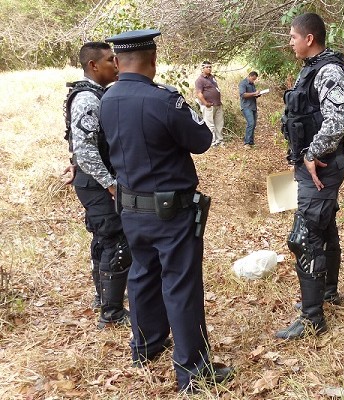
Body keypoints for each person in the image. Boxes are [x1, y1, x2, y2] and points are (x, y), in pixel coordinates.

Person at [100, 29, 234, 393]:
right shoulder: (163, 100)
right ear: (153, 60)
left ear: (118, 61)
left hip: (129, 208)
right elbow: (202, 141)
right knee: (180, 283)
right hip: (169, 212)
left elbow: (103, 148)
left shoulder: (106, 99)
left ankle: (145, 346)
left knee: (142, 274)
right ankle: (192, 370)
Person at [275, 13, 344, 340]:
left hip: (320, 166)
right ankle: (327, 292)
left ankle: (312, 318)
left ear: (309, 38)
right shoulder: (312, 68)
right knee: (323, 226)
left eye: (293, 36)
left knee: (304, 237)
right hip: (311, 166)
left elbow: (336, 122)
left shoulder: (329, 71)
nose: (290, 42)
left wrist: (311, 153)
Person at [63, 41, 131, 329]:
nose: (115, 65)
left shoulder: (96, 95)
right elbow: (86, 149)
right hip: (97, 183)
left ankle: (103, 298)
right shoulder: (88, 99)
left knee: (104, 239)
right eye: (108, 61)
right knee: (115, 241)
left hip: (92, 179)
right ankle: (111, 312)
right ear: (93, 65)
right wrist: (110, 184)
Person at [195, 61, 224, 146]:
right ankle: (212, 142)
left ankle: (220, 140)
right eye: (207, 67)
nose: (209, 68)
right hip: (208, 105)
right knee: (210, 124)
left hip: (217, 104)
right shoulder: (199, 80)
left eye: (210, 67)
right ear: (202, 68)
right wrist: (205, 103)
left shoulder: (212, 77)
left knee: (219, 123)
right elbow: (199, 93)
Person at [238, 71, 259, 146]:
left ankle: (251, 142)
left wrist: (257, 94)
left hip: (253, 106)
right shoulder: (243, 83)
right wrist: (254, 93)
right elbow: (242, 94)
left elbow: (253, 94)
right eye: (253, 79)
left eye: (254, 79)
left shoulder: (252, 84)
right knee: (250, 123)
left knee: (253, 124)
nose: (253, 81)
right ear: (249, 76)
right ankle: (246, 142)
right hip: (246, 106)